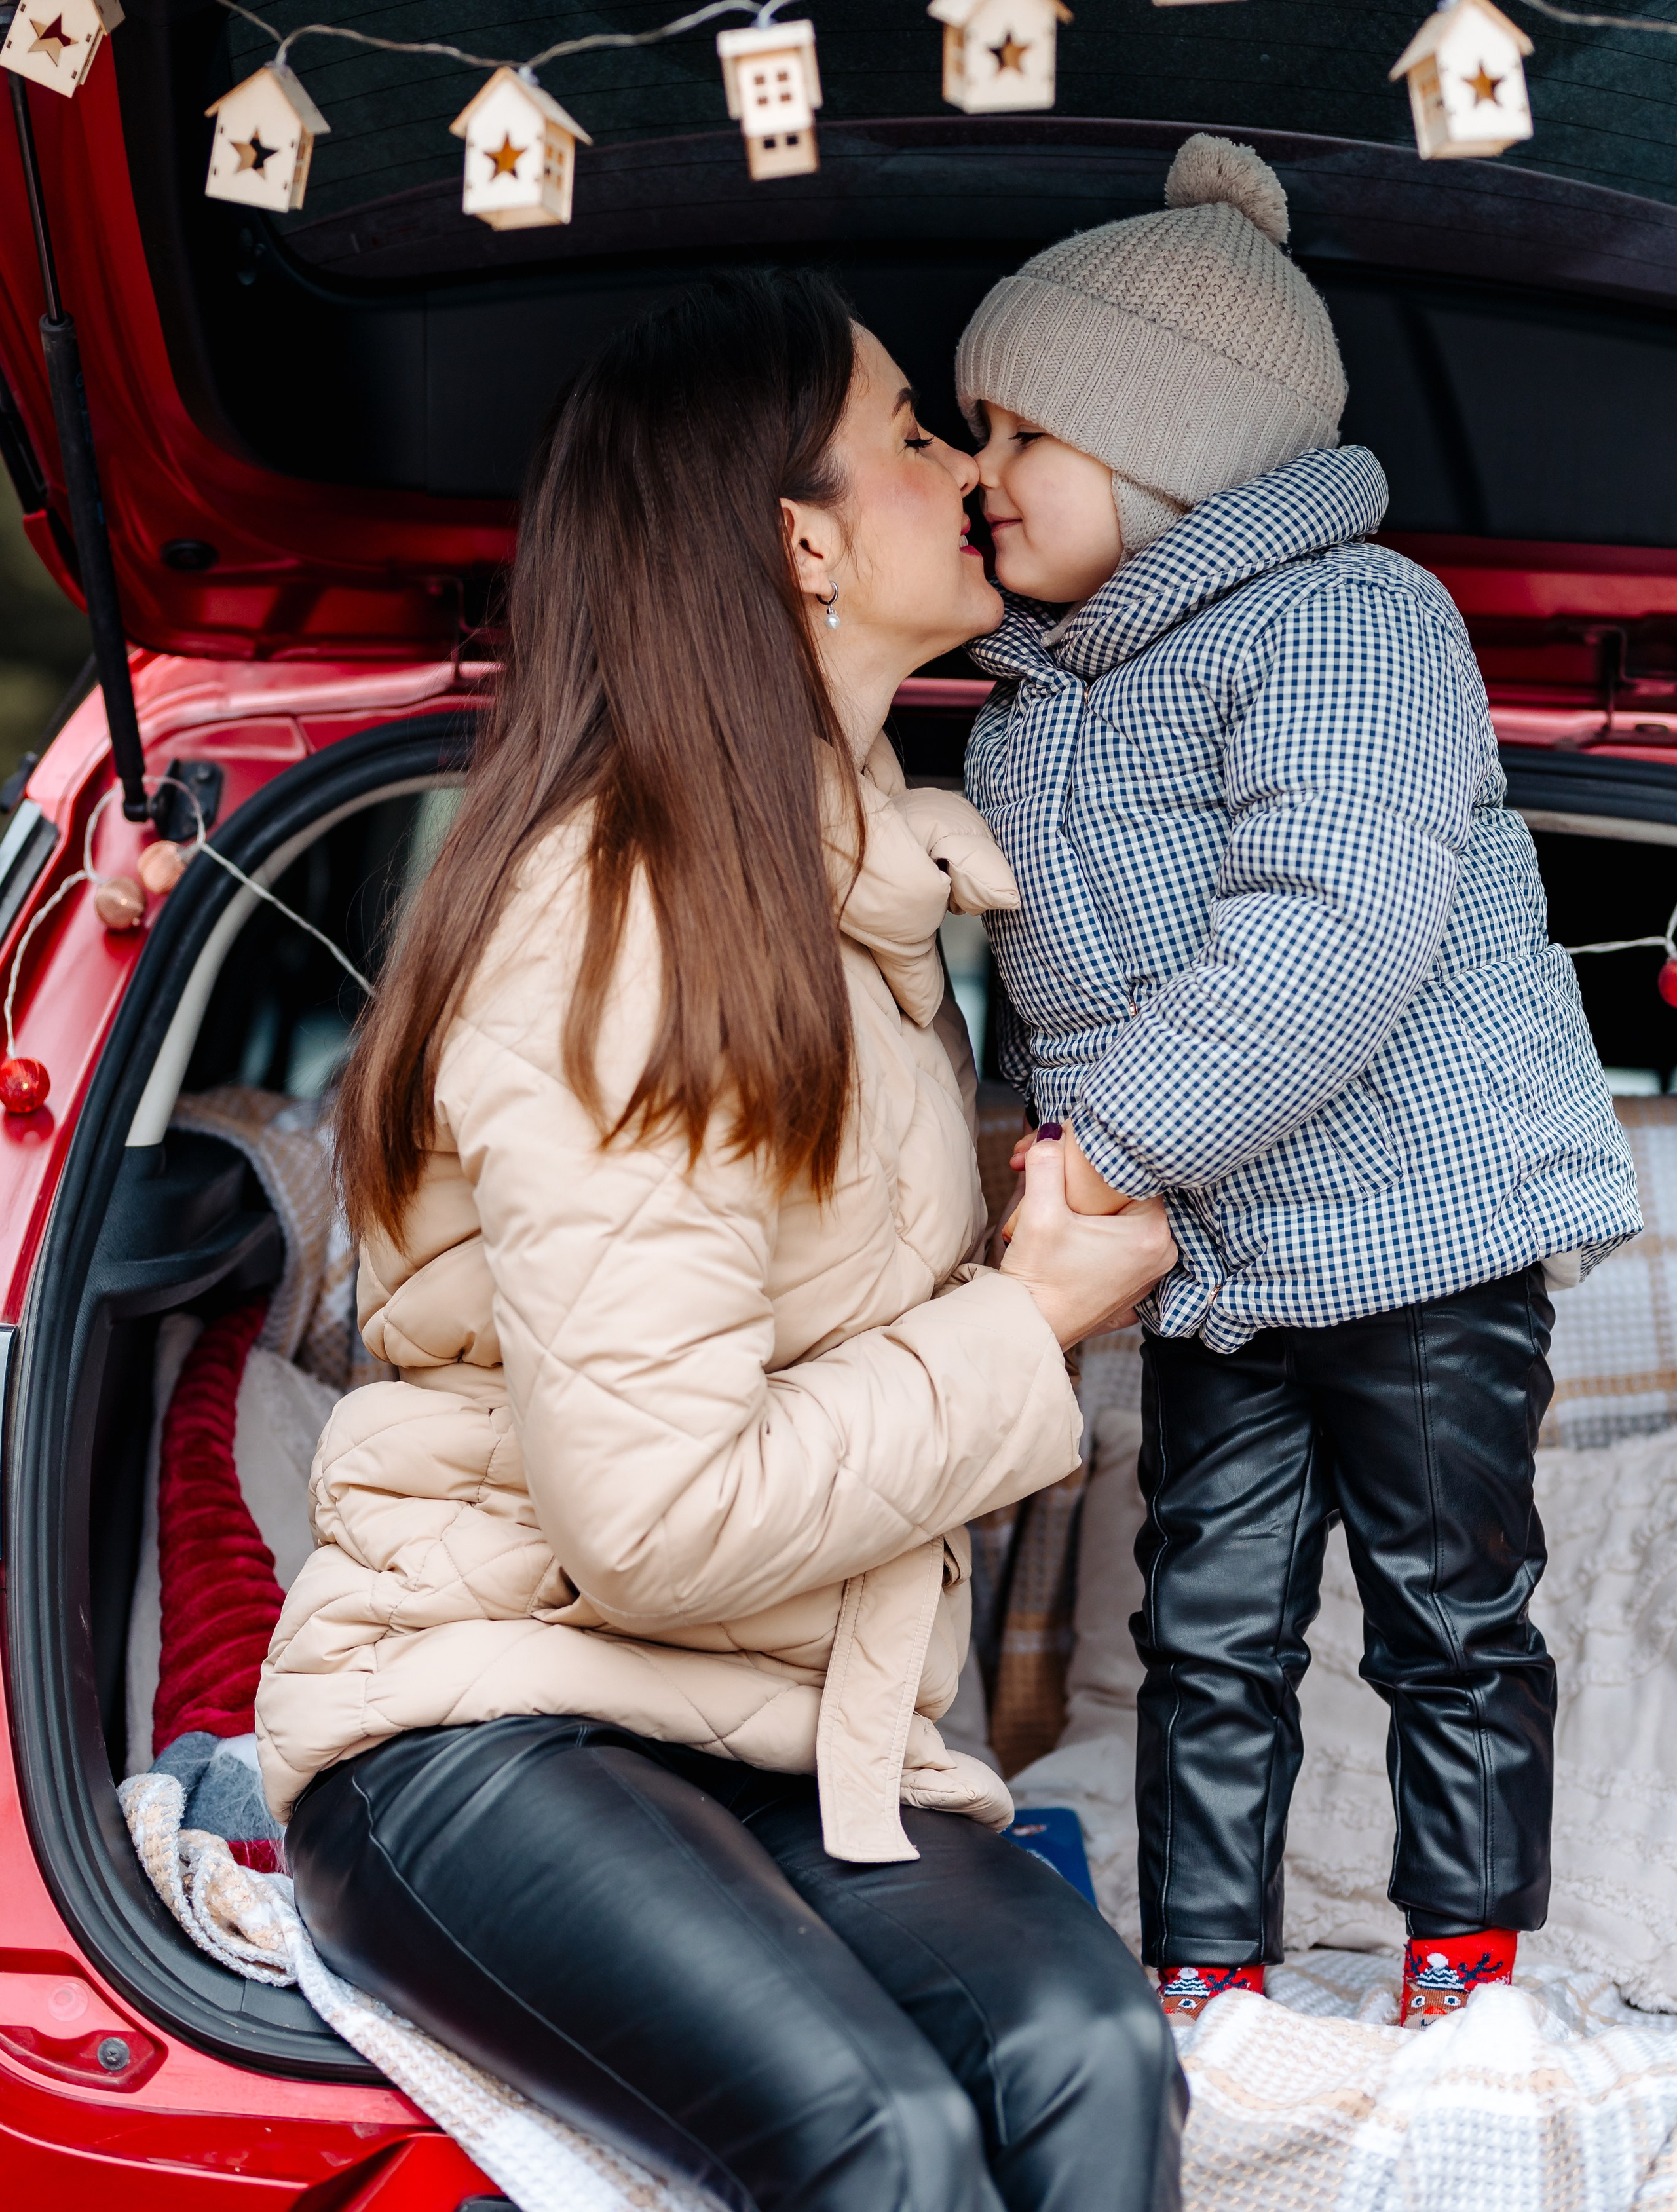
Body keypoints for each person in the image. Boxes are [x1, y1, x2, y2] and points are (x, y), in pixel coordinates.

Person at [255, 270, 1184, 2211]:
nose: (970, 470)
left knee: (1095, 2058)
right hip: (484, 1719)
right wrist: (1023, 1326)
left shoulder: (865, 899)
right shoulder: (623, 924)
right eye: (914, 434)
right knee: (882, 2135)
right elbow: (654, 1519)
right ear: (805, 544)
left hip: (789, 1741)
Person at [956, 136, 1641, 2026]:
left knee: (1449, 1607)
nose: (982, 474)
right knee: (1206, 1622)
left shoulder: (1349, 623)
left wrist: (1105, 1154)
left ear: (1166, 447)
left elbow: (1334, 921)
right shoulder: (1033, 709)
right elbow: (1049, 987)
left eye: (1021, 432)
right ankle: (1204, 1965)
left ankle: (1463, 1959)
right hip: (1216, 1257)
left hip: (1423, 1226)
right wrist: (1044, 1146)